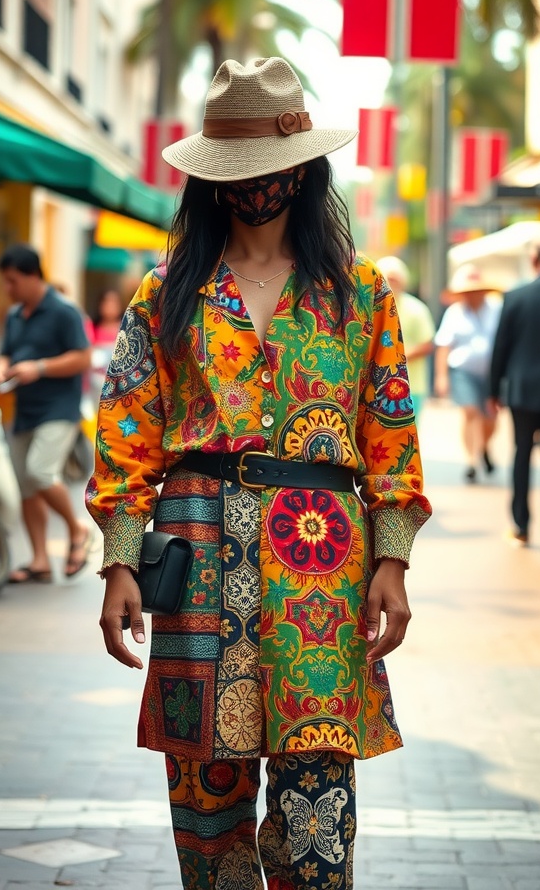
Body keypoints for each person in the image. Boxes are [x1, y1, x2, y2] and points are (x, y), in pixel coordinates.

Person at [86, 57, 432, 890]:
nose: (257, 188)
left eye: (273, 171)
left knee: (318, 816)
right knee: (207, 822)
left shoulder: (360, 292)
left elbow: (389, 429)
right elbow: (128, 432)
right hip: (197, 560)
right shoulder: (166, 293)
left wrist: (393, 560)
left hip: (321, 569)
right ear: (210, 181)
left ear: (305, 171)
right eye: (238, 174)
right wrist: (119, 562)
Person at [0, 244, 93, 582]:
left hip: (58, 409)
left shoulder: (64, 311)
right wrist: (1, 369)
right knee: (26, 487)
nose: (9, 289)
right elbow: (5, 353)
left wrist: (40, 367)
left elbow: (83, 357)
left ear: (33, 275)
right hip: (24, 410)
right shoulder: (16, 315)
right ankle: (39, 560)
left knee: (39, 472)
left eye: (13, 281)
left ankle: (77, 528)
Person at [490, 235, 540, 556]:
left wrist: (493, 390)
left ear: (534, 260)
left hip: (522, 391)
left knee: (522, 454)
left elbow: (500, 347)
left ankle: (520, 527)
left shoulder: (516, 296)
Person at [434, 263, 502, 482]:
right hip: (463, 371)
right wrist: (441, 376)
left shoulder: (496, 309)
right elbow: (444, 345)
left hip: (492, 373)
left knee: (490, 417)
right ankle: (472, 460)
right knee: (471, 412)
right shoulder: (455, 313)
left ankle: (482, 447)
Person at [376, 256, 436, 422]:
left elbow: (428, 343)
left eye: (395, 279)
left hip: (411, 384)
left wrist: (399, 357)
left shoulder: (416, 309)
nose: (391, 283)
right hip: (379, 385)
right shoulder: (371, 308)